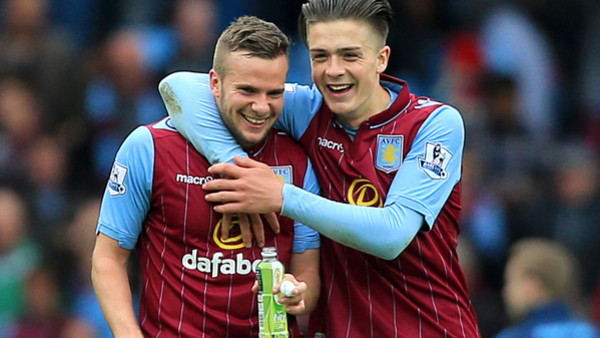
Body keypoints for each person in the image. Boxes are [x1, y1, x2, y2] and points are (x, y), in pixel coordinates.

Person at [161, 0, 480, 336]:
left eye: (350, 55)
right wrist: (238, 169)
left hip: (430, 328)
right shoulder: (310, 109)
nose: (333, 70)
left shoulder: (435, 123)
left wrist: (281, 196)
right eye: (320, 56)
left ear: (381, 59)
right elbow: (179, 86)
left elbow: (393, 234)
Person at [91, 16, 320, 337]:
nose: (261, 106)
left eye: (274, 93)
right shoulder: (148, 149)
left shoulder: (297, 161)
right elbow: (108, 259)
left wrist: (298, 294)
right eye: (248, 90)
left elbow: (307, 272)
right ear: (214, 83)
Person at [496, 238, 600, 338]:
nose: (504, 291)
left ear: (531, 285)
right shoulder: (588, 332)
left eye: (509, 281)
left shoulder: (514, 335)